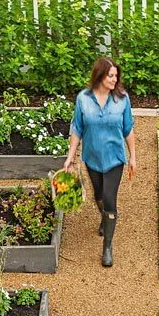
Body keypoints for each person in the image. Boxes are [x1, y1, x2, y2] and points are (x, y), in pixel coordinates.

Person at [63, 56, 136, 267]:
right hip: (92, 158)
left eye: (116, 76)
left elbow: (128, 128)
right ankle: (104, 216)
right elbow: (77, 128)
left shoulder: (122, 99)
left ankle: (107, 246)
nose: (115, 79)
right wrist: (70, 157)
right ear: (100, 75)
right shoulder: (83, 99)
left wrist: (133, 156)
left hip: (115, 158)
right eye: (111, 75)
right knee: (98, 195)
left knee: (109, 197)